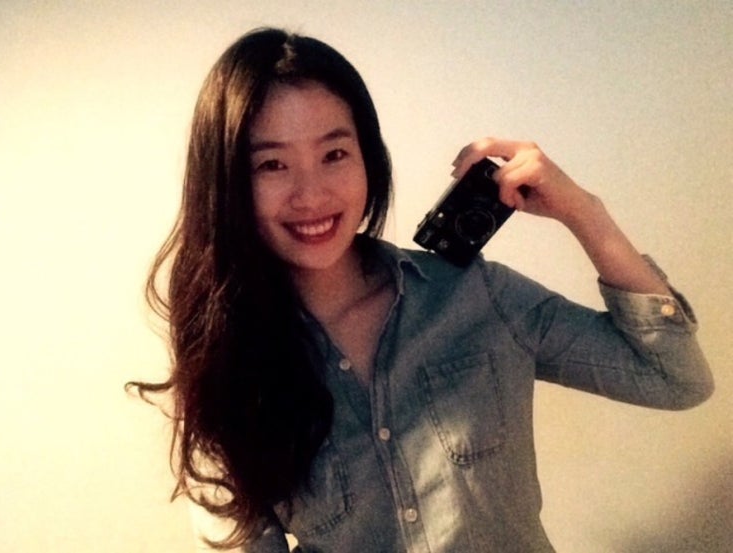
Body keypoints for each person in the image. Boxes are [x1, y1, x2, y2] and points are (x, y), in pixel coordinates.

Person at [128, 27, 714, 552]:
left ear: (369, 159)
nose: (311, 194)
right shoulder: (223, 362)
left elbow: (674, 377)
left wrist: (584, 212)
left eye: (334, 154)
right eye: (271, 165)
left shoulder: (475, 295)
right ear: (227, 182)